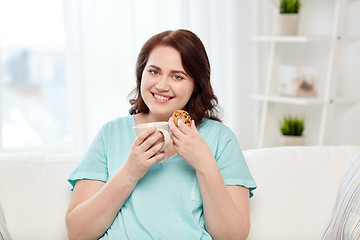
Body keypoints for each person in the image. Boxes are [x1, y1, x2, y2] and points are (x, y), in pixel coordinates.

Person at [66, 29, 256, 240]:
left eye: (177, 76)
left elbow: (232, 236)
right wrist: (130, 171)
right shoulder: (110, 134)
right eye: (154, 72)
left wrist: (205, 164)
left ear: (196, 85)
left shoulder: (221, 139)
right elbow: (78, 232)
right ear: (141, 75)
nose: (162, 85)